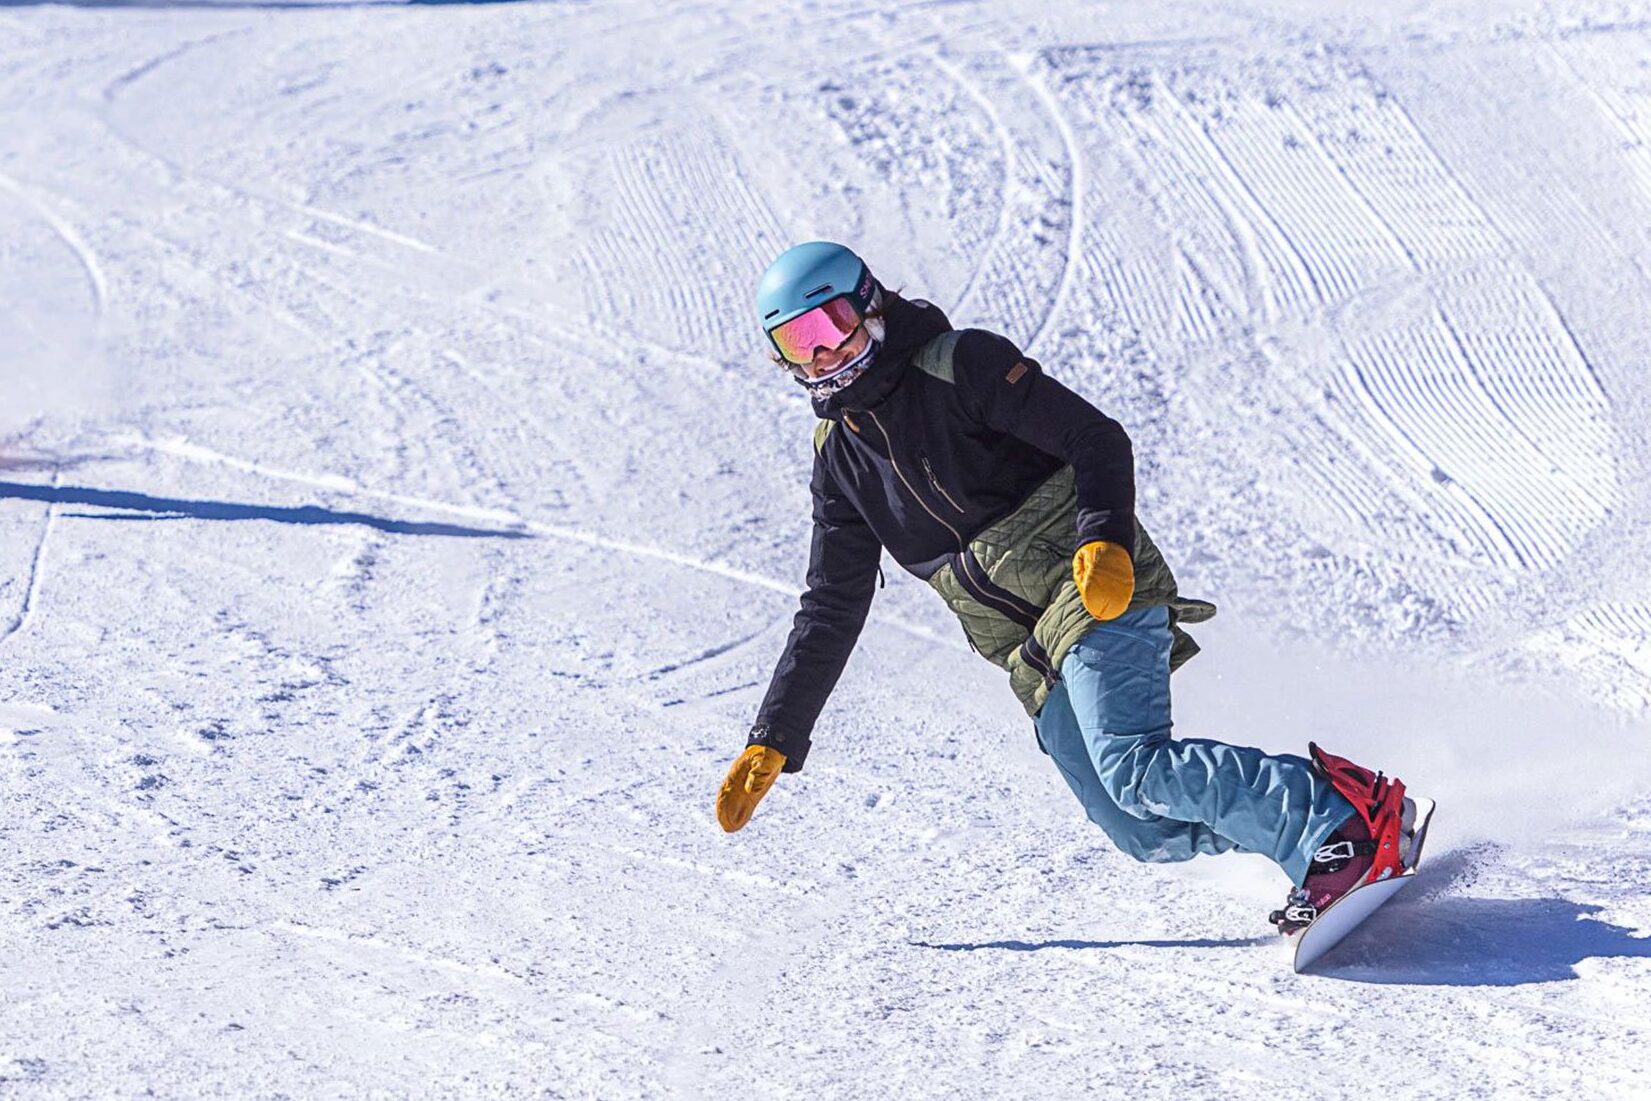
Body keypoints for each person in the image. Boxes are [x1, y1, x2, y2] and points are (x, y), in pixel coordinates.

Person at [714, 241, 1424, 933]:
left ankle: (1337, 825)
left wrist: (1104, 538)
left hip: (1092, 589)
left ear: (868, 306)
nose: (821, 354)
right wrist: (775, 733)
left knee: (1135, 766)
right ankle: (1318, 834)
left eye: (829, 325)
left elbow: (1095, 438)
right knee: (1139, 828)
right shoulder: (839, 458)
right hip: (1031, 656)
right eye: (796, 340)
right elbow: (831, 604)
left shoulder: (959, 366)